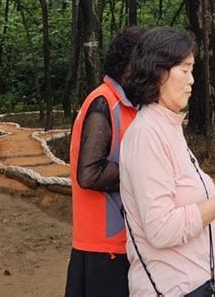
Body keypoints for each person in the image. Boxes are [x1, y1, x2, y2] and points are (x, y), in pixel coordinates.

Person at [118, 27, 215, 297]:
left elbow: (191, 218)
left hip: (200, 285)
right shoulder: (146, 134)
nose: (192, 80)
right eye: (185, 70)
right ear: (158, 71)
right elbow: (161, 230)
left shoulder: (169, 127)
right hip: (172, 288)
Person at [65, 26, 146, 297]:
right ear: (131, 66)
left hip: (120, 243)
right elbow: (88, 173)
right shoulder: (103, 103)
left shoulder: (126, 105)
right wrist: (144, 172)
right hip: (104, 247)